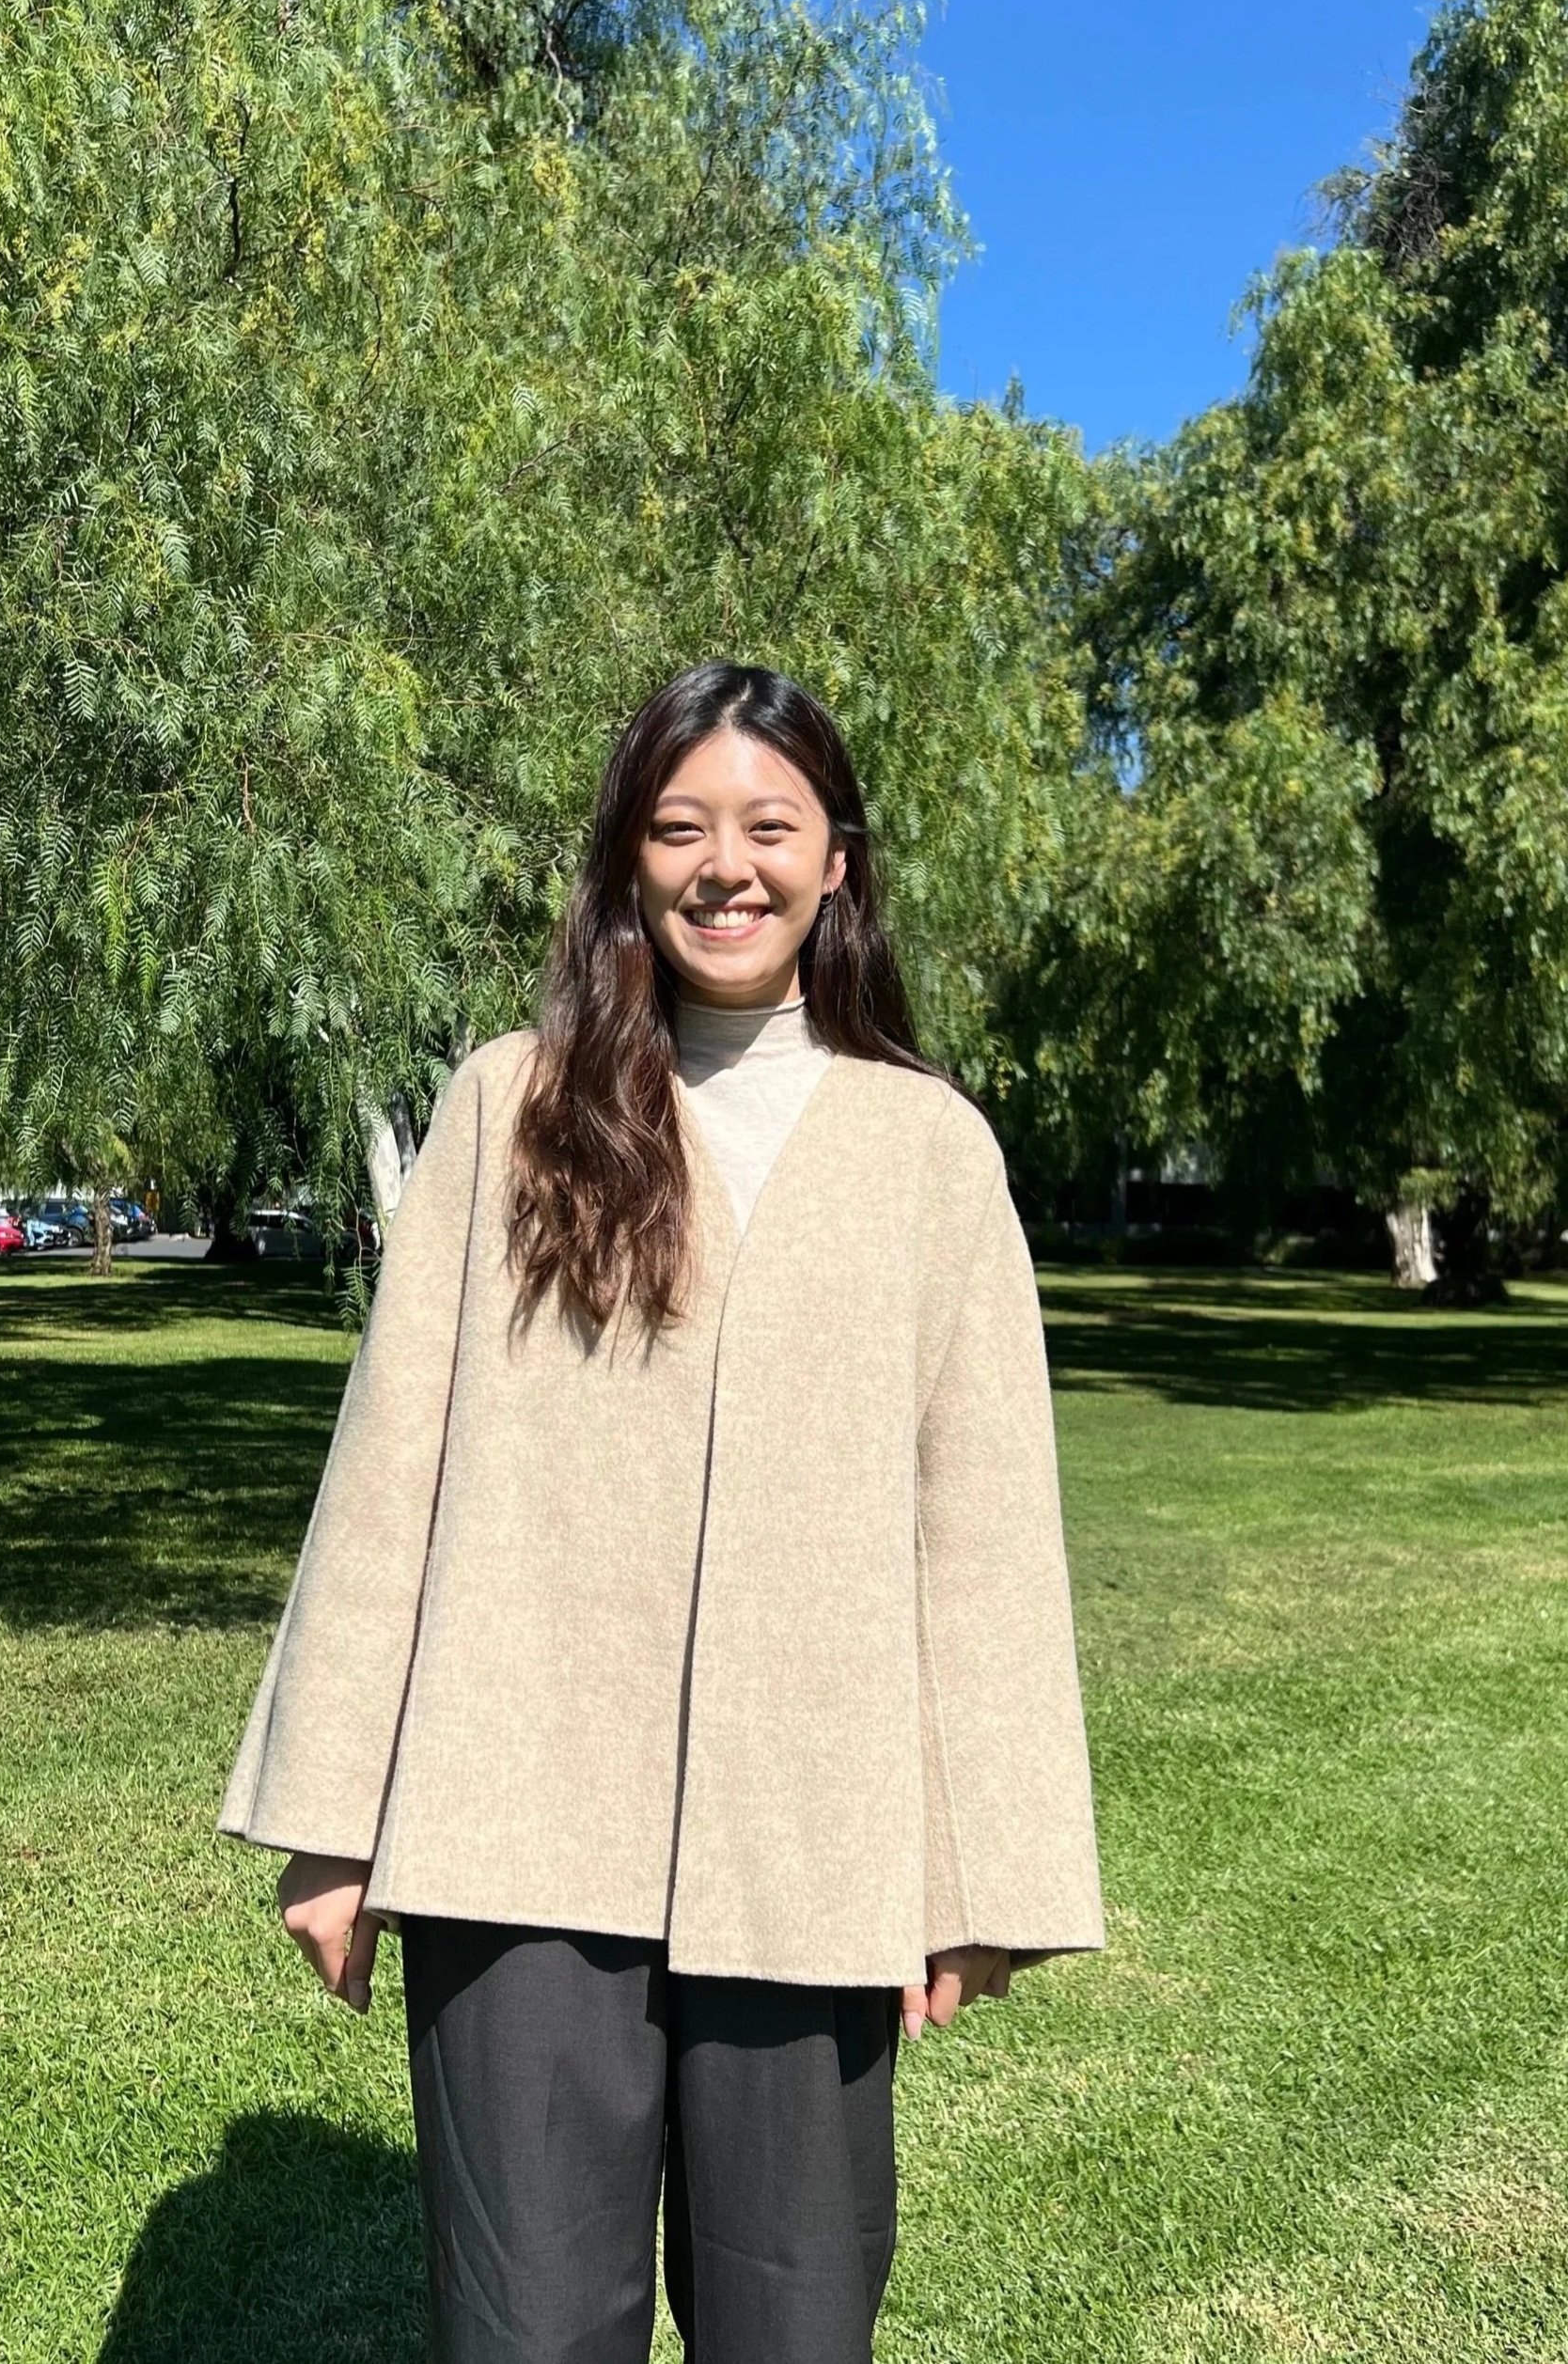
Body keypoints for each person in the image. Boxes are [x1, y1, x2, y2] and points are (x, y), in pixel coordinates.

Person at [218, 660, 1105, 2364]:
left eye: (772, 826)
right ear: (629, 855)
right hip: (517, 1815)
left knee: (795, 2320)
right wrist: (335, 1818)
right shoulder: (510, 1107)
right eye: (681, 824)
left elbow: (985, 1539)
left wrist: (982, 1873)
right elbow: (388, 1462)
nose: (727, 865)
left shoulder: (932, 1152)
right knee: (528, 2322)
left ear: (837, 859)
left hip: (816, 1836)